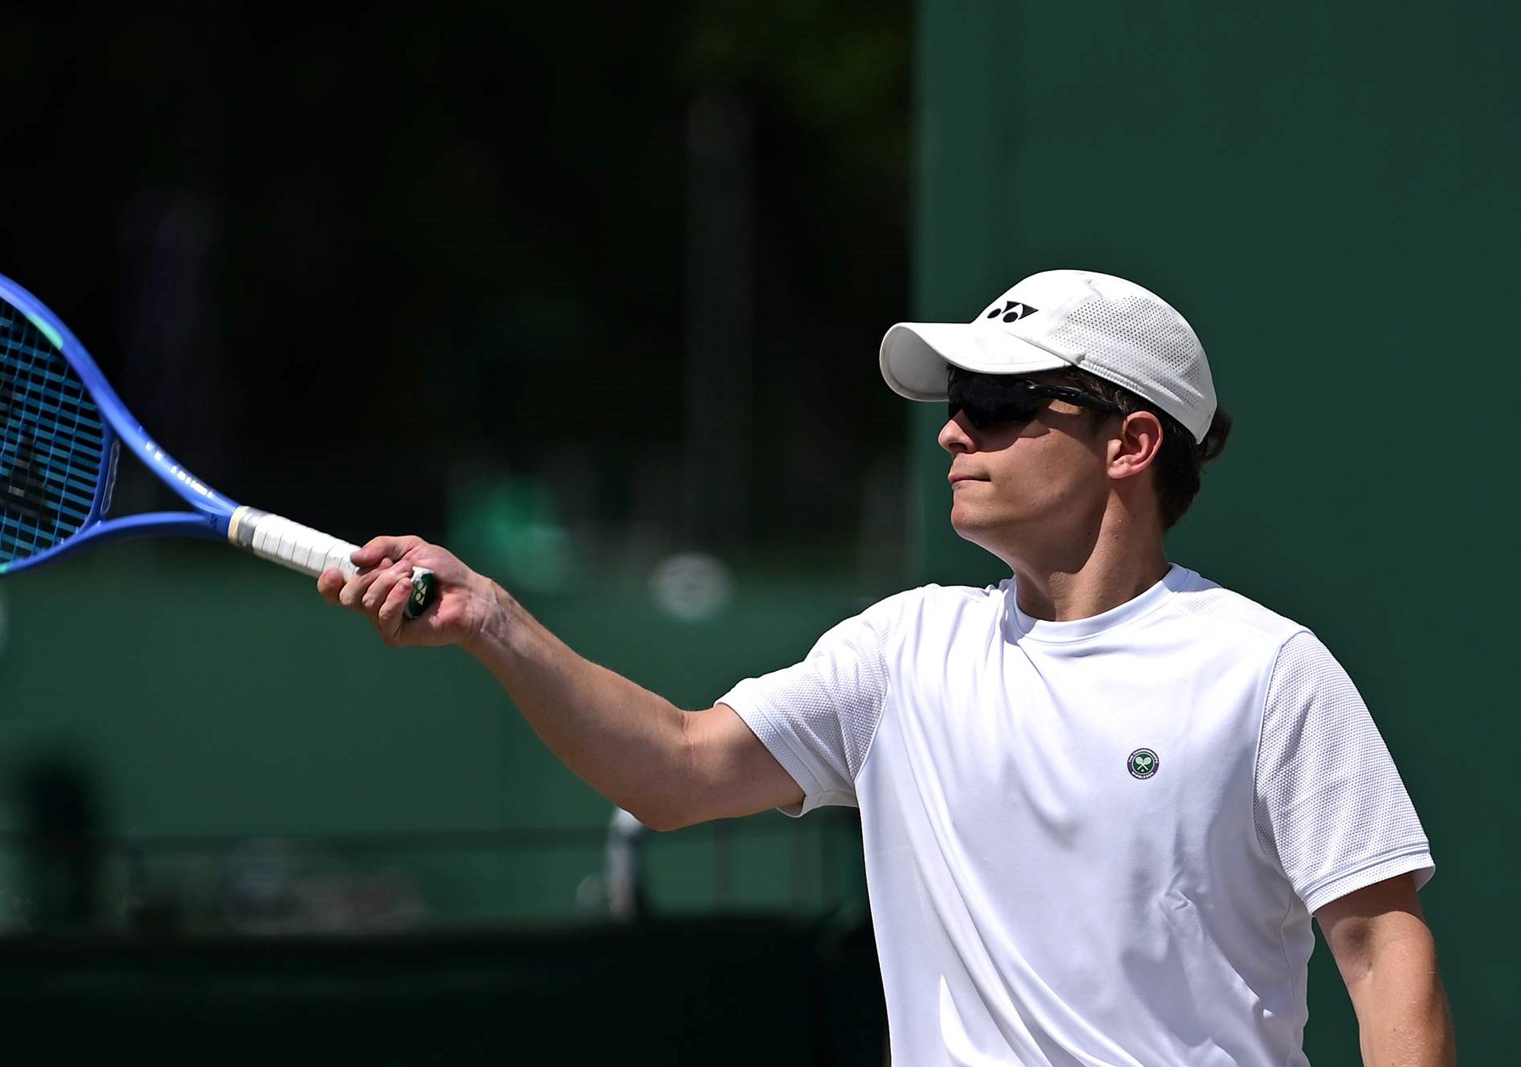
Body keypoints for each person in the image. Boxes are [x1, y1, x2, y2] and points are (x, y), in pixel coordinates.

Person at [322, 271, 1452, 1066]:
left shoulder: (1266, 671)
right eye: (956, 406)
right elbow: (671, 767)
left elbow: (1380, 951)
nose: (955, 433)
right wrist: (492, 620)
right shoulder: (904, 647)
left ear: (1130, 442)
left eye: (999, 405)